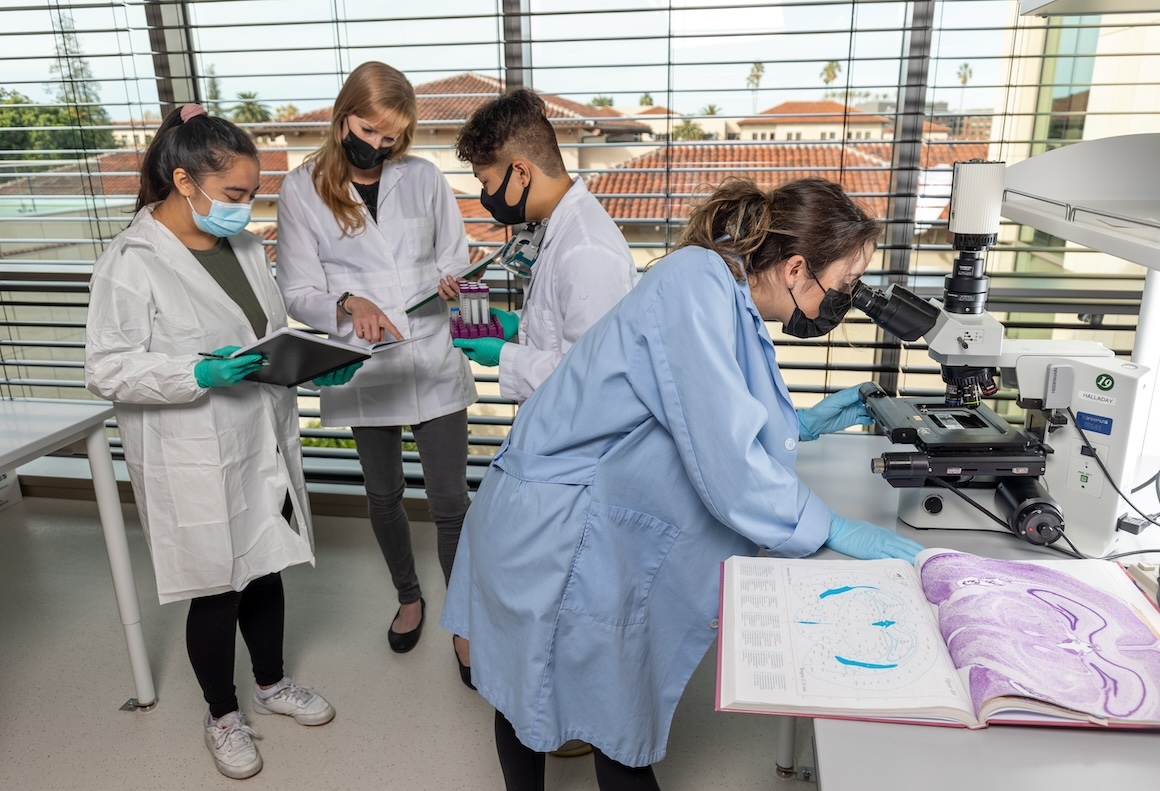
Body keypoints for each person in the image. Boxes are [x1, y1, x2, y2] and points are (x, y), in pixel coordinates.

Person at [440, 177, 925, 790]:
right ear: (797, 268)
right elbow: (724, 457)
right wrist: (829, 525)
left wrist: (800, 424)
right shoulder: (697, 283)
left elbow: (706, 405)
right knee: (538, 699)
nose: (848, 300)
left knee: (592, 708)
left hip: (582, 516)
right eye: (846, 283)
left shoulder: (725, 291)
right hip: (552, 527)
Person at [85, 104, 351, 780]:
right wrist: (195, 373)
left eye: (252, 193)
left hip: (258, 435)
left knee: (266, 561)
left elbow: (267, 335)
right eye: (234, 193)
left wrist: (315, 361)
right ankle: (222, 715)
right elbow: (106, 368)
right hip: (192, 450)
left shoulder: (246, 248)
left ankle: (271, 683)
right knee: (215, 584)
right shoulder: (132, 261)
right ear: (184, 181)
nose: (244, 207)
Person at [276, 62, 476, 665]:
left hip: (431, 353)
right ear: (343, 118)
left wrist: (454, 281)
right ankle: (409, 597)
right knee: (384, 495)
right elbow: (296, 289)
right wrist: (346, 302)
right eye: (368, 130)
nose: (379, 146)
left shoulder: (424, 177)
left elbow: (456, 255)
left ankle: (465, 621)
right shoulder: (301, 189)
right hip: (365, 362)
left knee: (450, 502)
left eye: (391, 137)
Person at [446, 88, 639, 696]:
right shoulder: (561, 228)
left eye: (487, 182)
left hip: (575, 458)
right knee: (494, 552)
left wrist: (502, 355)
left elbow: (598, 381)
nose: (486, 197)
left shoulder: (586, 249)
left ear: (521, 172)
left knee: (539, 580)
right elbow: (568, 336)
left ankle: (537, 694)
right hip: (549, 441)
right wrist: (514, 328)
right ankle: (507, 669)